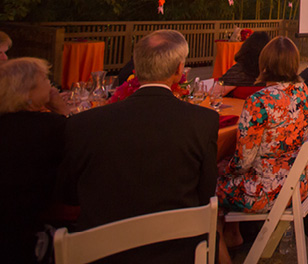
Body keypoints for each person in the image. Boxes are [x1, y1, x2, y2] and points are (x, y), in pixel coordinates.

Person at [59, 30, 219, 261]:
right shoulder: (203, 121)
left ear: (137, 66)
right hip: (177, 251)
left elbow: (69, 196)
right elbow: (205, 193)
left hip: (101, 252)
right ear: (178, 70)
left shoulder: (82, 124)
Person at [217, 37, 308, 261]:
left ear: (264, 66)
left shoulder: (259, 101)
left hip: (270, 191)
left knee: (207, 186)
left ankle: (221, 248)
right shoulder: (302, 90)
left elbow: (243, 162)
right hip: (302, 180)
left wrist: (223, 170)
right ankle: (234, 233)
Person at [0, 58, 71, 262]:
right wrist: (62, 111)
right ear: (27, 93)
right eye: (45, 79)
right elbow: (79, 148)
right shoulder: (51, 127)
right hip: (26, 230)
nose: (51, 85)